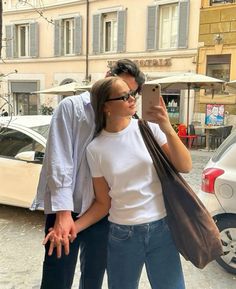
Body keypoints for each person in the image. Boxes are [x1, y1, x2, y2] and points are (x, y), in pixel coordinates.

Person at [44, 76, 192, 289]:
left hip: (162, 229)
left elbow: (185, 166)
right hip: (123, 236)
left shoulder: (149, 128)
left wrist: (167, 127)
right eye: (124, 96)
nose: (132, 99)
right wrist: (70, 229)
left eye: (132, 94)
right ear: (106, 107)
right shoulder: (95, 149)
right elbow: (104, 203)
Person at [31, 59, 145, 289]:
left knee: (94, 276)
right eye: (121, 89)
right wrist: (63, 213)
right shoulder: (72, 107)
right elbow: (59, 160)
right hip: (67, 208)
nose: (125, 97)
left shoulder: (126, 120)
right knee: (57, 277)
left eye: (130, 93)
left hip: (103, 212)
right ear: (106, 76)